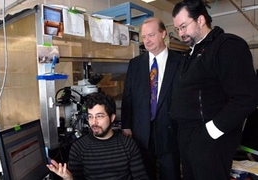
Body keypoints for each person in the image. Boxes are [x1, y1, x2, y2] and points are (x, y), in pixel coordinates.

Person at [171, 1, 258, 180]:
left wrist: (210, 131)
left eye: (183, 26)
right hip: (188, 138)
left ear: (201, 20)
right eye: (177, 29)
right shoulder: (191, 54)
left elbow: (246, 98)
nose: (180, 33)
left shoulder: (227, 46)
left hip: (209, 140)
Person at [121, 17, 182, 180]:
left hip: (170, 133)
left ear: (163, 34)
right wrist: (126, 126)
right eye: (144, 36)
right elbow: (127, 97)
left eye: (151, 35)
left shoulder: (181, 62)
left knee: (171, 175)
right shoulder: (135, 64)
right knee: (144, 175)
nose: (147, 40)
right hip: (141, 134)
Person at [47, 92, 149, 180]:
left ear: (112, 118)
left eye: (99, 116)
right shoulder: (78, 148)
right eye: (90, 116)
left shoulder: (128, 144)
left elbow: (141, 177)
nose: (94, 122)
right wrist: (69, 179)